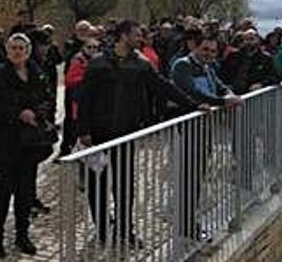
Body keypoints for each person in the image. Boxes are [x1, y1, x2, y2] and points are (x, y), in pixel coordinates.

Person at [77, 20, 204, 246]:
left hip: (126, 133)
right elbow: (85, 99)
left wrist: (193, 105)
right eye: (136, 35)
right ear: (124, 36)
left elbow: (163, 86)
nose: (141, 39)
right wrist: (83, 130)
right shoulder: (97, 64)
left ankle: (125, 230)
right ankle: (103, 229)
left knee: (125, 185)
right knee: (97, 184)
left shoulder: (141, 64)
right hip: (98, 134)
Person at [0, 33, 50, 258]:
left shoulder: (37, 73)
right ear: (8, 51)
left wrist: (36, 113)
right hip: (4, 142)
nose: (18, 52)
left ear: (27, 51)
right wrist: (19, 113)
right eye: (14, 48)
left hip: (30, 142)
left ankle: (22, 235)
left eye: (22, 48)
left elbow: (46, 99)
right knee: (3, 192)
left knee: (25, 193)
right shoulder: (0, 76)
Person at [171, 32, 243, 240]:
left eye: (213, 51)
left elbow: (220, 86)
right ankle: (186, 225)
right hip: (187, 128)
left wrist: (228, 94)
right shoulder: (182, 66)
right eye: (205, 50)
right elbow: (191, 92)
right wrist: (223, 102)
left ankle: (190, 222)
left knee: (196, 176)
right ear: (194, 46)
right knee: (189, 177)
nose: (209, 54)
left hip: (203, 127)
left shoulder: (208, 67)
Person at [58, 38, 99, 158]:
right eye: (89, 47)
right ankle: (68, 150)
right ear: (84, 48)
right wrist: (87, 78)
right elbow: (70, 79)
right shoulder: (78, 60)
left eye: (95, 47)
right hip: (78, 98)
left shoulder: (99, 61)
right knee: (73, 124)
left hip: (93, 101)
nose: (92, 50)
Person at [219, 29, 278, 94]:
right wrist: (227, 87)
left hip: (255, 97)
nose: (248, 42)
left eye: (251, 39)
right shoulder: (233, 56)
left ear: (258, 40)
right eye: (246, 39)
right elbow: (223, 74)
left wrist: (261, 84)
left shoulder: (266, 58)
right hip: (234, 96)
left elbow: (274, 77)